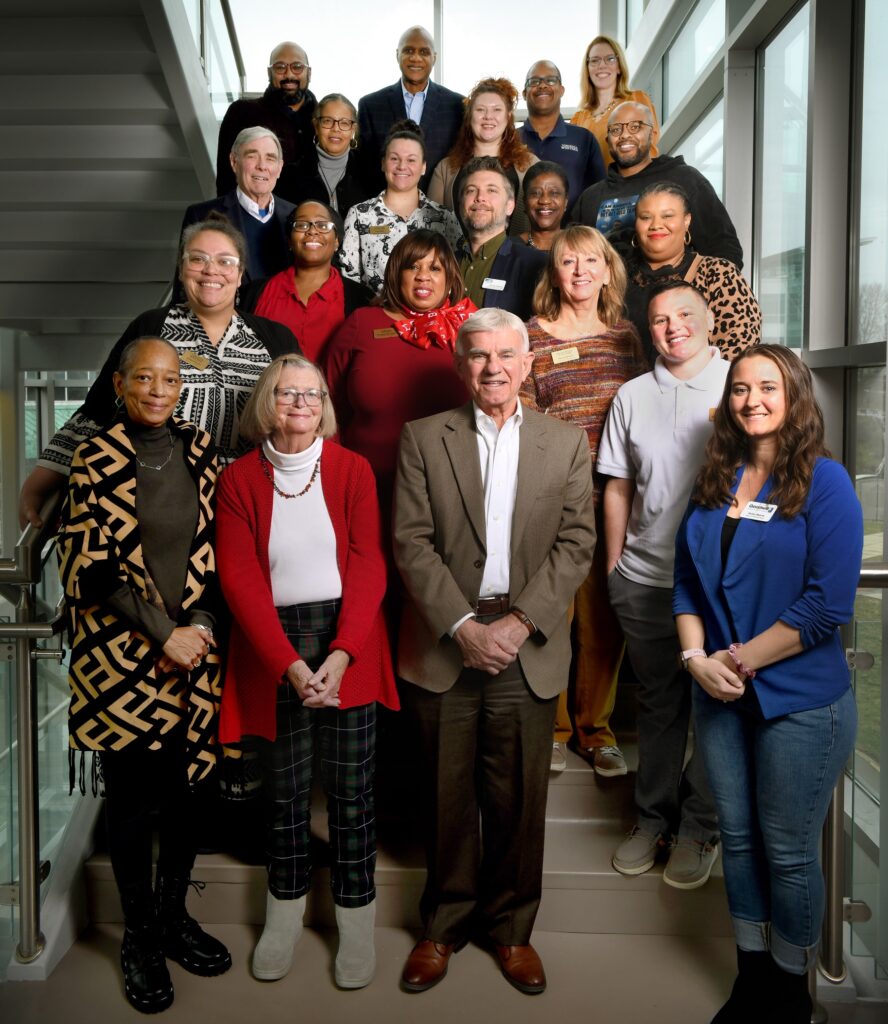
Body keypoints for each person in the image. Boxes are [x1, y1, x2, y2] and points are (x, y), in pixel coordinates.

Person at [392, 308, 596, 995]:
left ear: (527, 361)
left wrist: (516, 624)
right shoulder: (423, 438)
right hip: (446, 640)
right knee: (445, 798)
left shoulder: (565, 444)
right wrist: (461, 626)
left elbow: (577, 545)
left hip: (525, 644)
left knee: (517, 800)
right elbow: (411, 542)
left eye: (507, 354)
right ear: (460, 364)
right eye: (479, 355)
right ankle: (443, 927)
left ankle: (512, 932)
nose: (494, 367)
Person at [674, 345, 862, 1023]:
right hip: (719, 693)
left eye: (768, 386)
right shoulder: (714, 481)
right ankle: (752, 978)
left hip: (801, 706)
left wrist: (738, 662)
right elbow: (685, 586)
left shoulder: (826, 482)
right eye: (740, 388)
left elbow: (825, 607)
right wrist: (697, 661)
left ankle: (790, 991)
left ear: (795, 396)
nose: (752, 399)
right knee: (741, 840)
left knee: (786, 850)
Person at [215, 354, 399, 990]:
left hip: (349, 637)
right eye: (288, 393)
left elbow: (370, 562)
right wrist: (290, 665)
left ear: (326, 404)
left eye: (312, 394)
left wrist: (343, 652)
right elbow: (238, 579)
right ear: (268, 402)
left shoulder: (351, 469)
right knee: (285, 797)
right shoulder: (238, 479)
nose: (301, 403)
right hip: (274, 646)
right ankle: (284, 920)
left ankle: (355, 925)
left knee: (351, 798)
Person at [57, 337, 230, 1013]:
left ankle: (173, 919)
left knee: (188, 795)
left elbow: (217, 553)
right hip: (121, 659)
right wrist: (166, 634)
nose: (158, 390)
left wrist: (202, 630)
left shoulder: (196, 447)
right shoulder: (94, 456)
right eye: (144, 379)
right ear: (121, 385)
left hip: (193, 658)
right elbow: (90, 570)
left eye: (170, 379)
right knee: (133, 803)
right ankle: (138, 939)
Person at [19, 216, 299, 527]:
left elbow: (300, 419)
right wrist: (42, 481)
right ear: (181, 270)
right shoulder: (151, 327)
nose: (211, 270)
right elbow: (98, 409)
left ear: (240, 272)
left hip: (252, 503)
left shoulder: (275, 339)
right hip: (162, 504)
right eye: (198, 259)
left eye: (225, 261)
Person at [597, 281, 726, 889]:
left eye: (682, 316)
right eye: (657, 320)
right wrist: (615, 567)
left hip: (719, 589)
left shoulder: (738, 385)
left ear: (707, 321)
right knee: (658, 705)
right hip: (645, 580)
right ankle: (653, 819)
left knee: (715, 710)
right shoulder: (631, 394)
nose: (671, 327)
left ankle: (701, 825)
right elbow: (618, 485)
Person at [519, 226, 647, 775]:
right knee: (548, 616)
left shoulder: (627, 337)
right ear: (555, 272)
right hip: (551, 500)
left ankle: (594, 732)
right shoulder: (531, 335)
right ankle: (549, 728)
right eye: (568, 261)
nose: (579, 271)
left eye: (590, 261)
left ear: (607, 269)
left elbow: (644, 416)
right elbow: (518, 423)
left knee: (602, 621)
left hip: (615, 500)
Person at [325, 229, 475, 520]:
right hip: (366, 484)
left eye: (434, 268)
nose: (423, 276)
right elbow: (327, 401)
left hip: (448, 490)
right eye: (413, 266)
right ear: (397, 272)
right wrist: (335, 469)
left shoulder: (470, 330)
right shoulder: (362, 322)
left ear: (449, 278)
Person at [571, 101, 743, 268]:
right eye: (616, 129)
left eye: (635, 126)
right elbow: (572, 256)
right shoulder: (590, 198)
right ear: (608, 139)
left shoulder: (685, 179)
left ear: (652, 134)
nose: (624, 135)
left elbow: (725, 249)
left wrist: (693, 295)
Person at [626, 182, 761, 364]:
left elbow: (740, 349)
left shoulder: (718, 273)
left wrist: (690, 386)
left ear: (686, 220)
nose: (656, 225)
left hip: (703, 389)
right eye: (645, 217)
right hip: (627, 391)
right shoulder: (618, 279)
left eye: (667, 216)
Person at [240, 201, 372, 364]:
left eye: (323, 225)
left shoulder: (362, 299)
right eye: (302, 225)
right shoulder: (253, 293)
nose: (312, 231)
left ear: (337, 241)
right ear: (289, 240)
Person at [339, 120, 462, 294]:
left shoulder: (445, 217)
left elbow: (457, 276)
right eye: (394, 158)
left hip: (433, 318)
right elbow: (348, 278)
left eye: (411, 160)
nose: (402, 166)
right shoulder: (359, 215)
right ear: (383, 163)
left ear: (424, 167)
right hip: (378, 317)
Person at [179, 128, 295, 296]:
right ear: (234, 162)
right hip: (227, 319)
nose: (262, 166)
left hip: (282, 319)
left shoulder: (296, 216)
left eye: (270, 158)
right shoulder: (201, 215)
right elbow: (185, 285)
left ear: (280, 167)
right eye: (252, 156)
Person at [357, 26, 464, 195]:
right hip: (384, 212)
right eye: (408, 51)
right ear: (397, 55)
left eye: (424, 52)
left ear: (434, 58)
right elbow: (365, 167)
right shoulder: (370, 105)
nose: (415, 58)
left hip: (439, 209)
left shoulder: (457, 105)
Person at [428, 77, 538, 236]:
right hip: (456, 260)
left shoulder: (530, 165)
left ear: (508, 117)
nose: (488, 116)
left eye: (497, 110)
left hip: (516, 259)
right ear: (469, 116)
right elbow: (433, 226)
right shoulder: (446, 168)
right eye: (480, 110)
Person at [215, 42, 316, 200]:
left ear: (309, 73)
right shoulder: (242, 112)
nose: (289, 74)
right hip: (259, 216)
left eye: (297, 66)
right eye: (280, 67)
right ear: (269, 72)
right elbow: (226, 176)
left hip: (312, 219)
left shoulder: (324, 118)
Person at [458, 157, 548, 320]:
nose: (480, 197)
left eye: (491, 190)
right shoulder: (441, 262)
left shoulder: (536, 265)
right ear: (461, 204)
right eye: (471, 190)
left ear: (510, 206)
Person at [519, 61, 605, 202]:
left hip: (573, 224)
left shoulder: (584, 139)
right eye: (534, 81)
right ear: (524, 93)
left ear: (562, 90)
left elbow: (600, 194)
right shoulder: (510, 140)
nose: (542, 85)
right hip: (518, 224)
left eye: (551, 80)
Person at [570, 35, 660, 170]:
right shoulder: (578, 119)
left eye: (610, 59)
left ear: (619, 67)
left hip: (632, 187)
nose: (602, 65)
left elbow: (650, 149)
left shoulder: (636, 100)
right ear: (587, 69)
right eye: (595, 61)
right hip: (592, 190)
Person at [286, 93, 366, 218]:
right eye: (327, 121)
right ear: (316, 126)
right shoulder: (290, 175)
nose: (336, 129)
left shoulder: (370, 173)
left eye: (344, 123)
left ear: (353, 130)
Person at [519, 161, 570, 251]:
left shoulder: (580, 246)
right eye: (535, 194)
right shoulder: (508, 248)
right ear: (524, 202)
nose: (545, 200)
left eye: (554, 193)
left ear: (565, 202)